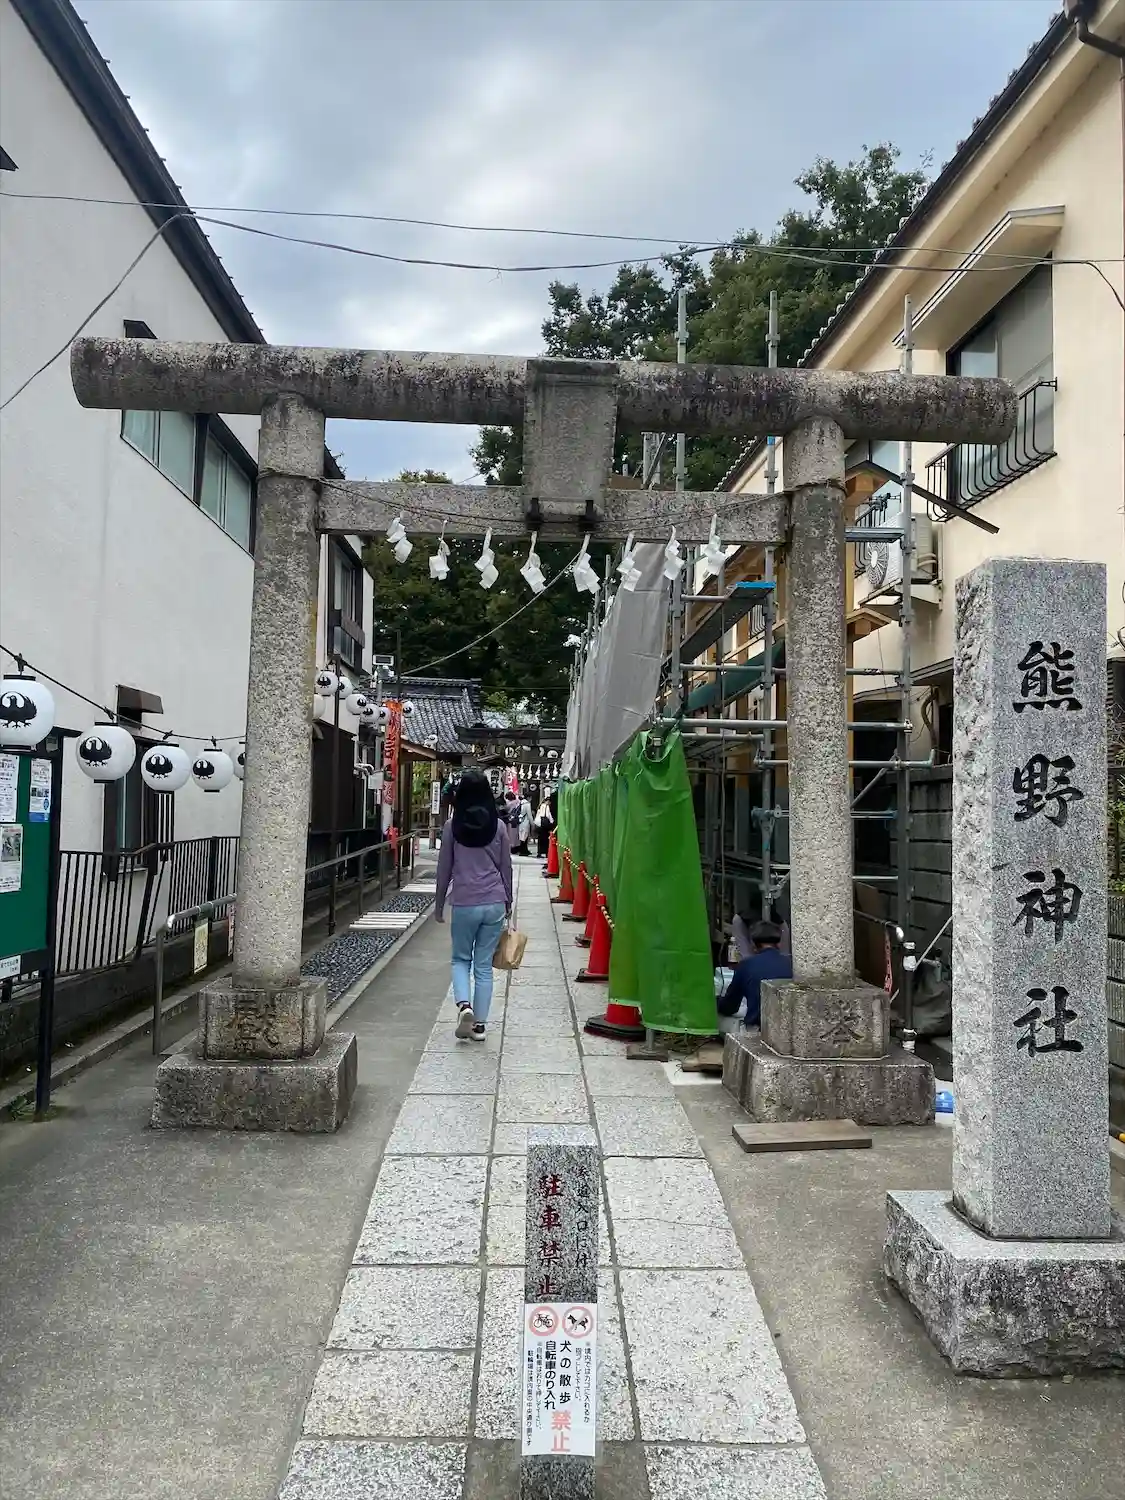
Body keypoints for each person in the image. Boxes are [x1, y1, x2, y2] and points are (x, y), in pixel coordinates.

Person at [435, 769, 513, 1040]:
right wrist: (508, 901)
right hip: (494, 902)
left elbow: (444, 869)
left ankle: (464, 1006)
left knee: (460, 959)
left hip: (465, 901)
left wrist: (438, 905)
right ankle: (479, 1027)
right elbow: (506, 867)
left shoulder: (452, 827)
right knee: (483, 965)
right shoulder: (499, 827)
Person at [717, 920, 792, 1028]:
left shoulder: (746, 965)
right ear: (779, 943)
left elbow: (730, 1006)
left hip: (759, 1029)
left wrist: (716, 1001)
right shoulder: (790, 964)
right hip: (787, 1027)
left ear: (753, 944)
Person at [533, 792, 555, 859]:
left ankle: (539, 852)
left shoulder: (540, 806)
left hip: (540, 824)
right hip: (545, 826)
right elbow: (548, 815)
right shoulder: (546, 807)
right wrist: (552, 822)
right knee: (546, 840)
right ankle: (546, 853)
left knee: (540, 839)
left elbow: (538, 815)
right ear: (548, 801)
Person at [517, 792, 533, 857]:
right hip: (525, 822)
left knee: (522, 837)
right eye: (531, 797)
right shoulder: (527, 804)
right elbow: (529, 815)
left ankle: (523, 850)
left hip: (520, 821)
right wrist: (532, 823)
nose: (531, 799)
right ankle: (523, 851)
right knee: (525, 837)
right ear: (528, 798)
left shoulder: (521, 803)